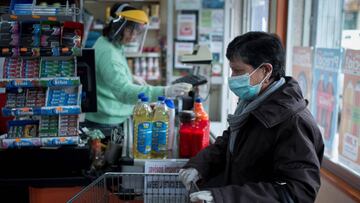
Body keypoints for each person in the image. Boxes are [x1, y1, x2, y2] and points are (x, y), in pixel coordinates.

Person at [179, 32, 324, 203]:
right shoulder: (254, 103)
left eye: (238, 71)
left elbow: (297, 191)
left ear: (266, 71)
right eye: (232, 70)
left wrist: (224, 197)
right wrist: (199, 165)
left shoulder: (293, 122)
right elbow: (231, 142)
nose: (232, 78)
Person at [85, 3, 191, 137]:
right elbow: (124, 92)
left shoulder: (107, 43)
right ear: (117, 27)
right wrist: (165, 91)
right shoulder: (109, 54)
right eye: (130, 30)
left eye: (137, 31)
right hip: (106, 124)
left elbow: (106, 72)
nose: (134, 35)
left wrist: (129, 75)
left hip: (106, 117)